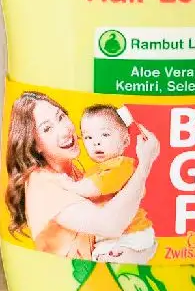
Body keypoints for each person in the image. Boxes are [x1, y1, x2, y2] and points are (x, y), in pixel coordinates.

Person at [4, 91, 159, 258]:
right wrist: (145, 163)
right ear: (35, 145)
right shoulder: (42, 182)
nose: (64, 131)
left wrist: (143, 247)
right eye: (47, 128)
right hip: (62, 273)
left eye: (61, 117)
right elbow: (110, 225)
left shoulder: (75, 171)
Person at [67, 104, 157, 264]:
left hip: (132, 234)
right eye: (88, 137)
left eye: (105, 134)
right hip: (119, 235)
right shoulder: (96, 171)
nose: (96, 143)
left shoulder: (120, 166)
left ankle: (121, 254)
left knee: (102, 257)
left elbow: (93, 189)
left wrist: (67, 185)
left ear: (125, 141)